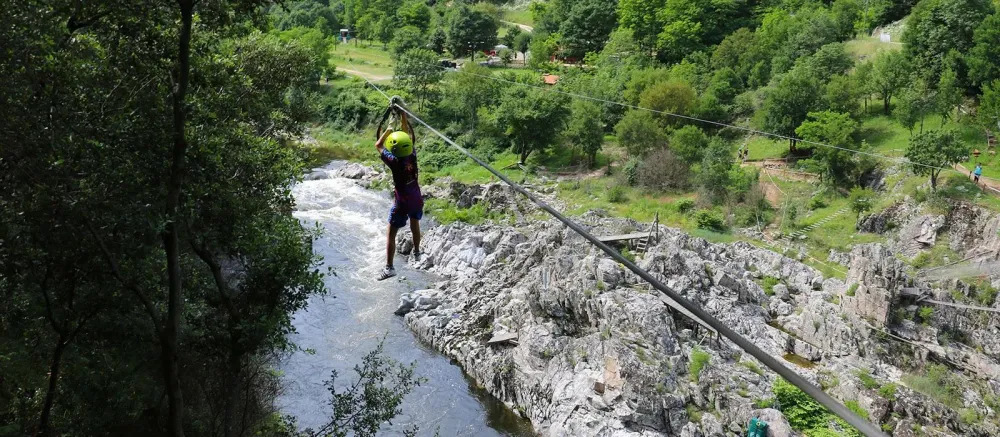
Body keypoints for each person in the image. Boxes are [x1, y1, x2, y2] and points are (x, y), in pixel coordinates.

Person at [376, 110, 423, 280]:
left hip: (402, 202)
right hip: (416, 198)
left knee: (391, 233)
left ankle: (389, 267)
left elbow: (378, 145)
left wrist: (389, 129)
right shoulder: (412, 154)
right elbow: (407, 134)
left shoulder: (394, 161)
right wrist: (403, 116)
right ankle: (417, 252)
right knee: (415, 223)